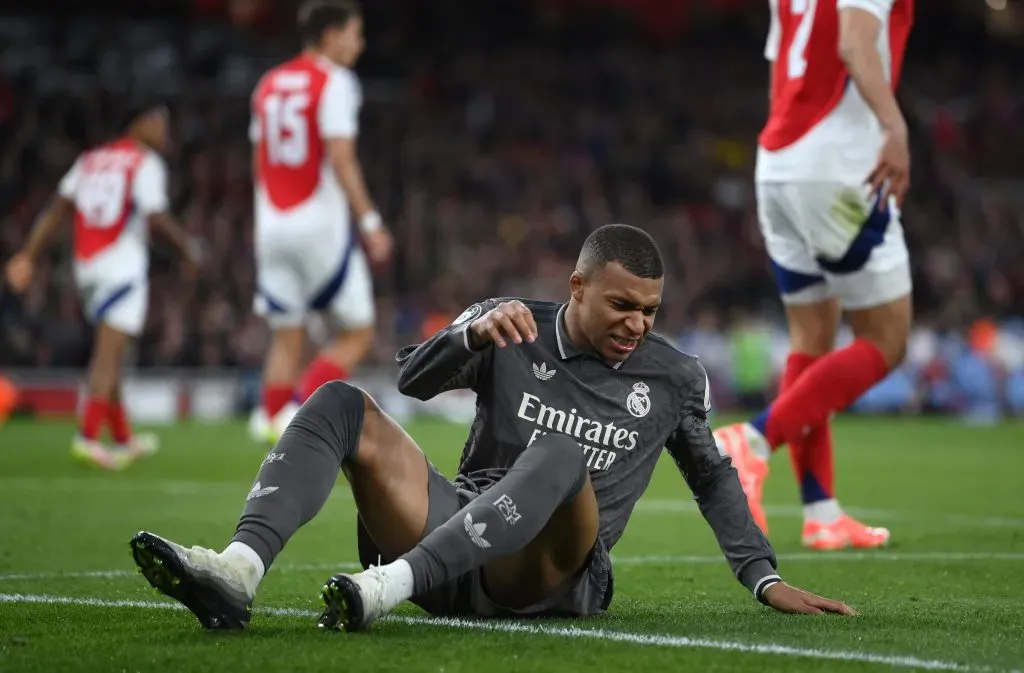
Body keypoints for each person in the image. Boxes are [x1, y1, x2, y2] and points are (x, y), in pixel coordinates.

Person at [129, 224, 856, 632]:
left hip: (549, 572)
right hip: (458, 533)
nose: (638, 323)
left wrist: (762, 577)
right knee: (341, 400)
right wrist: (469, 338)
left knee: (560, 453)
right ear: (577, 287)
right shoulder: (507, 323)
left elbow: (713, 476)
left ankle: (384, 588)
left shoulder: (673, 377)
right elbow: (409, 380)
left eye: (651, 310)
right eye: (622, 305)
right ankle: (236, 572)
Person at [713, 0, 914, 550]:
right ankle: (751, 440)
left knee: (812, 341)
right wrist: (895, 127)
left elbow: (785, 66)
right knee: (887, 339)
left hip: (779, 163)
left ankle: (822, 512)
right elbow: (853, 41)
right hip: (840, 167)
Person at [4, 102, 198, 469]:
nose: (165, 133)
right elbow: (155, 216)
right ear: (139, 122)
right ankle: (87, 436)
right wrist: (188, 251)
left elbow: (56, 209)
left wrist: (28, 255)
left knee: (115, 350)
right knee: (108, 355)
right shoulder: (144, 162)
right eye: (160, 123)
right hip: (121, 264)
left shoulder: (90, 160)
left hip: (87, 266)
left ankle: (123, 438)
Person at [247, 0, 394, 444]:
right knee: (360, 330)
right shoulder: (335, 82)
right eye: (355, 34)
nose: (360, 43)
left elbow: (259, 163)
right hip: (318, 225)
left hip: (271, 224)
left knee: (285, 334)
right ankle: (300, 411)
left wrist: (262, 221)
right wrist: (370, 221)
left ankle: (270, 418)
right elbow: (341, 157)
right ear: (330, 36)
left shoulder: (268, 84)